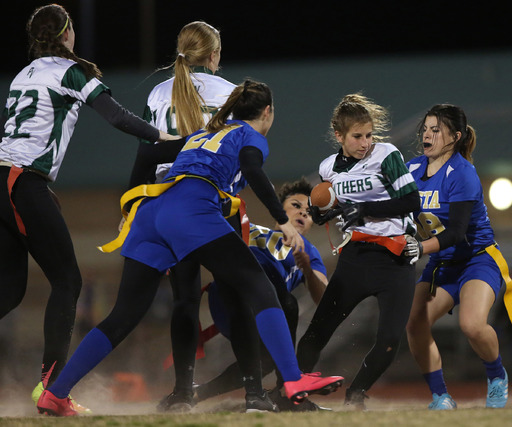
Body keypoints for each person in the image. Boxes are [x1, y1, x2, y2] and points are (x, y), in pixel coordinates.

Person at [35, 79, 344, 417]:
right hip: (191, 208)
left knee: (123, 314)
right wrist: (281, 221)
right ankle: (293, 379)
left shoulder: (202, 134)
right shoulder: (250, 135)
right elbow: (253, 170)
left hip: (152, 212)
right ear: (267, 112)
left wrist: (129, 211)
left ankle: (56, 393)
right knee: (259, 287)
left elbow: (150, 153)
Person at [0, 3, 177, 413]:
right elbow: (116, 117)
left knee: (9, 292)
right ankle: (52, 389)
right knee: (68, 282)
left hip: (8, 181)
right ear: (66, 34)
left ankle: (50, 386)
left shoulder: (24, 74)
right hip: (21, 182)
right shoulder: (70, 71)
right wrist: (165, 137)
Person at [128, 20, 236, 412]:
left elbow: (145, 154)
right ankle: (258, 385)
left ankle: (182, 390)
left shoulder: (159, 92)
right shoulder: (230, 93)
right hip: (212, 200)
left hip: (166, 204)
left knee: (184, 300)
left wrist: (131, 208)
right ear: (213, 55)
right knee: (242, 289)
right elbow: (238, 154)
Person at [296, 93, 421, 410]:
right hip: (357, 256)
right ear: (339, 136)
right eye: (357, 136)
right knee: (319, 329)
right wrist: (323, 212)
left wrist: (363, 208)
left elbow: (411, 202)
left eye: (368, 135)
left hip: (396, 258)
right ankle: (293, 392)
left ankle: (356, 394)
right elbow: (334, 209)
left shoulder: (387, 154)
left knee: (391, 340)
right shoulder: (328, 168)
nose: (365, 143)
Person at [403, 104, 512, 410]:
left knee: (471, 324)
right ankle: (441, 397)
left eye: (436, 129)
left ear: (454, 137)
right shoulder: (412, 169)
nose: (427, 135)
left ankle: (497, 376)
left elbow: (456, 233)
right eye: (425, 128)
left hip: (476, 260)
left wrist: (418, 247)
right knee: (414, 323)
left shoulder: (464, 173)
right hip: (442, 264)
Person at [191, 178, 330, 412]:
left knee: (266, 359)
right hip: (229, 301)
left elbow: (323, 298)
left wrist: (306, 268)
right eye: (296, 205)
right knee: (286, 303)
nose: (302, 213)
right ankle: (287, 392)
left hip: (267, 312)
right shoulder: (250, 228)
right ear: (279, 208)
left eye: (309, 212)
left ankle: (197, 392)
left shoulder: (309, 252)